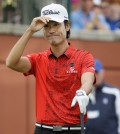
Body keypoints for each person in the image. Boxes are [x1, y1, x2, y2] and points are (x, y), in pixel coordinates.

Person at [6, 3, 95, 134]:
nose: (51, 30)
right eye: (46, 26)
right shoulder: (39, 59)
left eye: (56, 25)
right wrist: (30, 30)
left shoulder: (83, 56)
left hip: (73, 129)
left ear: (67, 26)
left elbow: (87, 80)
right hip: (43, 130)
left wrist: (82, 92)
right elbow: (11, 62)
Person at [86, 59, 120, 134]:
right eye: (92, 73)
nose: (95, 76)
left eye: (97, 72)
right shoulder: (81, 94)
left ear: (102, 73)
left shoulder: (113, 93)